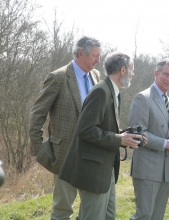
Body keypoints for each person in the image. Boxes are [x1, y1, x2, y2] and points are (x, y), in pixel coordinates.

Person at [59, 51, 142, 220]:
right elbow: (85, 129)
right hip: (93, 170)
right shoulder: (101, 92)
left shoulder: (114, 92)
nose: (134, 74)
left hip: (106, 168)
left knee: (108, 215)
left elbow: (104, 127)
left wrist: (126, 137)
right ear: (123, 70)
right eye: (132, 70)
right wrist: (118, 139)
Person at [29, 36, 102, 220]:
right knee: (62, 211)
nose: (98, 60)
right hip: (65, 156)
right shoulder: (58, 77)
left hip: (92, 156)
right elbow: (37, 114)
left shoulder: (97, 76)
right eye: (95, 55)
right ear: (80, 53)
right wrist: (39, 150)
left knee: (91, 210)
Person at [128, 58, 169, 220]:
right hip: (147, 169)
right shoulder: (142, 98)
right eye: (165, 74)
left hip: (166, 171)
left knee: (157, 217)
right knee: (144, 215)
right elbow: (138, 133)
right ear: (156, 74)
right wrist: (166, 143)